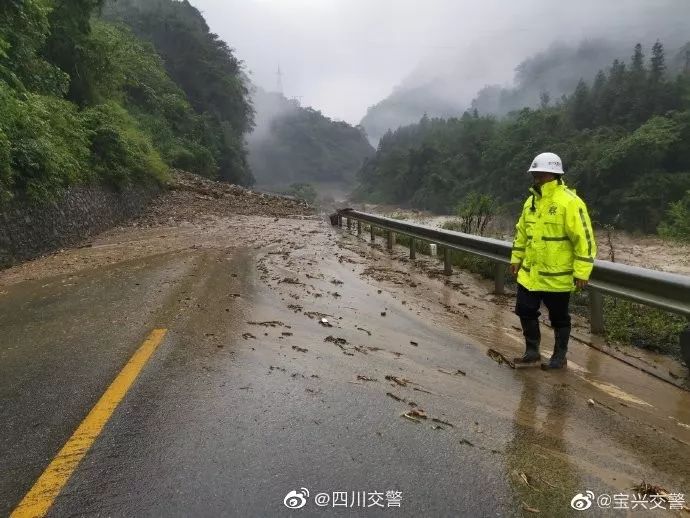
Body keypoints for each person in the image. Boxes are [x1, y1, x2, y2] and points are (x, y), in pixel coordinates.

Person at [509, 152, 597, 369]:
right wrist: (516, 258)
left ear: (553, 174)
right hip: (529, 274)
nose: (536, 177)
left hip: (556, 277)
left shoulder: (570, 202)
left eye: (540, 173)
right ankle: (532, 351)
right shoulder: (531, 202)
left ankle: (559, 357)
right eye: (535, 173)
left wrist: (582, 271)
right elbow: (521, 233)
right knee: (524, 310)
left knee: (559, 318)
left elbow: (584, 239)